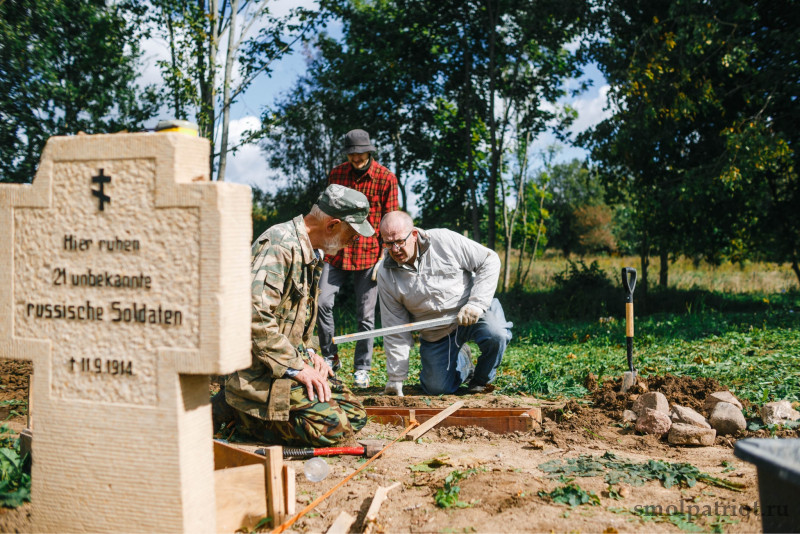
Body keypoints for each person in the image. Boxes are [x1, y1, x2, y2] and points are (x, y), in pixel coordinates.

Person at [221, 185, 374, 446]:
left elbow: (296, 324)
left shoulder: (310, 252)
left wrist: (311, 355)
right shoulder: (280, 245)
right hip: (258, 371)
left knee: (355, 416)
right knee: (334, 429)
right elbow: (252, 316)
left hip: (285, 362)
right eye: (353, 233)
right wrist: (297, 367)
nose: (354, 241)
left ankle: (262, 414)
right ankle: (239, 416)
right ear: (333, 225)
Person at [376, 211, 513, 397]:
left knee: (496, 334)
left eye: (400, 241)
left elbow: (489, 259)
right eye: (388, 243)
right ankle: (463, 362)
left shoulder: (444, 240)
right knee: (437, 388)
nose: (395, 249)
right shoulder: (386, 274)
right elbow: (395, 328)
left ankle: (481, 380)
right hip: (436, 331)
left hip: (471, 312)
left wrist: (477, 303)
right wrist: (395, 378)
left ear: (414, 235)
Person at [317, 129, 399, 389]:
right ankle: (329, 357)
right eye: (352, 154)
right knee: (322, 301)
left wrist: (385, 256)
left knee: (365, 316)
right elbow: (325, 210)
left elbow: (391, 219)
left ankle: (362, 368)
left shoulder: (386, 178)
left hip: (370, 255)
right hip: (336, 250)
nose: (356, 158)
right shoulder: (337, 174)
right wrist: (321, 243)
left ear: (369, 151)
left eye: (360, 153)